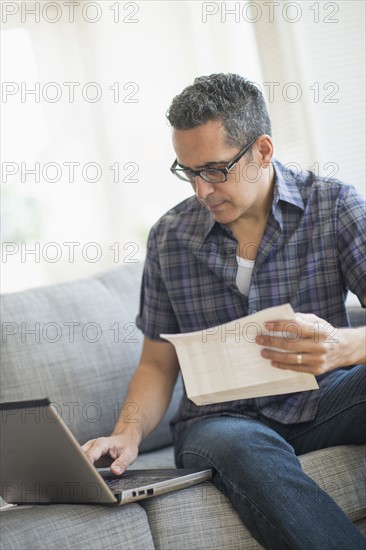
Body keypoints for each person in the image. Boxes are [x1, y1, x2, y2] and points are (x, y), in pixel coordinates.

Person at [82, 73, 366, 549]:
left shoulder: (334, 206)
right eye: (188, 171)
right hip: (219, 425)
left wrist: (344, 347)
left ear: (263, 151)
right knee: (243, 446)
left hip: (320, 400)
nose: (201, 190)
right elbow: (156, 363)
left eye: (214, 170)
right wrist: (127, 433)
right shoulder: (170, 237)